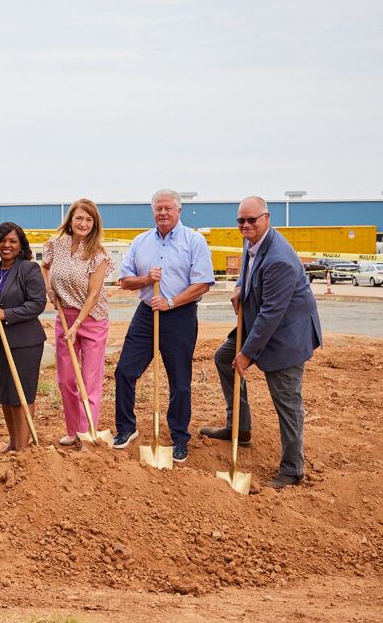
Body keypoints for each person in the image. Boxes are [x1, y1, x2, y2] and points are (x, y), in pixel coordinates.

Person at [199, 196, 322, 489]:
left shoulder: (279, 258)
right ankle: (239, 429)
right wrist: (241, 285)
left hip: (286, 335)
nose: (245, 226)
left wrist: (246, 354)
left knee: (287, 402)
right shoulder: (253, 241)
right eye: (241, 220)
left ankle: (293, 470)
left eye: (251, 220)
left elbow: (271, 314)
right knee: (222, 358)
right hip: (259, 322)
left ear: (266, 217)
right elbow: (249, 267)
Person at [113, 188, 215, 462]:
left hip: (179, 316)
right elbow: (125, 281)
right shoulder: (141, 241)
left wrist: (170, 302)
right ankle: (125, 428)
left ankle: (179, 437)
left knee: (179, 381)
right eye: (158, 208)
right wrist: (146, 279)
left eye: (168, 208)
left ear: (178, 211)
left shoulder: (194, 241)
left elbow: (202, 283)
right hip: (146, 314)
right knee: (124, 371)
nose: (163, 213)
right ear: (153, 211)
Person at [41, 200, 116, 446]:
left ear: (94, 224)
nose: (83, 224)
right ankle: (73, 430)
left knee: (89, 379)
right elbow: (44, 266)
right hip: (65, 316)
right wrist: (49, 289)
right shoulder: (56, 244)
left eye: (89, 220)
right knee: (66, 379)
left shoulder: (99, 254)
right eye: (79, 218)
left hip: (92, 319)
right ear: (70, 220)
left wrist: (78, 324)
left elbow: (93, 295)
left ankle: (87, 434)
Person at [0, 221, 47, 453]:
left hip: (23, 343)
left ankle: (22, 448)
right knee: (4, 394)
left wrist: (7, 314)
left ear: (20, 245)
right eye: (2, 240)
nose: (7, 245)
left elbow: (37, 303)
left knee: (21, 392)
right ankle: (13, 441)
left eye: (13, 241)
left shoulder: (28, 269)